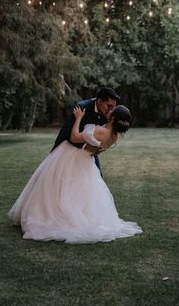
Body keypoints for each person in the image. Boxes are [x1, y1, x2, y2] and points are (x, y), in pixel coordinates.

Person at [8, 103, 142, 243]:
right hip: (86, 162)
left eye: (112, 111)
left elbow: (74, 137)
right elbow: (98, 150)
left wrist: (78, 118)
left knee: (58, 185)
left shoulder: (101, 131)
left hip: (73, 157)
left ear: (113, 119)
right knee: (78, 191)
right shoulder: (114, 136)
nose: (109, 110)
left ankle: (52, 217)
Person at [52, 87, 120, 172]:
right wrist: (88, 147)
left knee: (97, 179)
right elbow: (66, 133)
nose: (111, 110)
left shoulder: (107, 114)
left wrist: (98, 147)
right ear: (99, 101)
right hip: (67, 151)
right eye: (109, 106)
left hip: (88, 156)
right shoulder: (81, 107)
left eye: (113, 107)